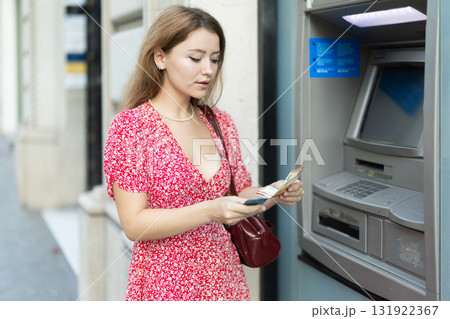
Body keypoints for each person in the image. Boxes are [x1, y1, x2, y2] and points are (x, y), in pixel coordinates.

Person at [103, 5, 304, 301]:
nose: (208, 69)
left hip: (224, 278)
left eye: (215, 59)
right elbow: (134, 224)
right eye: (195, 58)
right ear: (160, 57)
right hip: (166, 284)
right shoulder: (132, 128)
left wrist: (273, 193)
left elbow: (239, 192)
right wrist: (209, 210)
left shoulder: (219, 121)